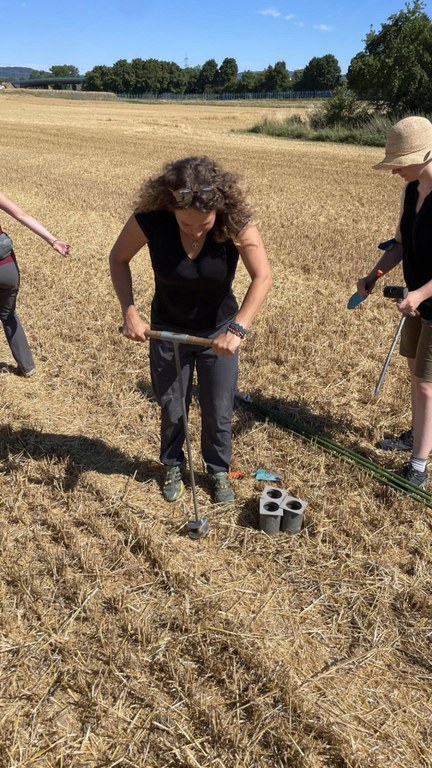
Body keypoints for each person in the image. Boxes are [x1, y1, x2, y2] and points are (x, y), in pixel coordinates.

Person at [110, 155, 272, 503]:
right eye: (187, 225)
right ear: (171, 208)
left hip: (219, 331)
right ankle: (171, 464)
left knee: (218, 407)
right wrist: (130, 312)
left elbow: (263, 276)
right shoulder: (151, 220)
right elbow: (118, 258)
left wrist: (238, 329)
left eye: (205, 224)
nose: (197, 231)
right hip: (168, 330)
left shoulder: (235, 222)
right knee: (172, 407)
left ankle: (217, 469)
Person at [356, 116, 432, 488]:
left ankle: (419, 465)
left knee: (425, 384)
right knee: (415, 373)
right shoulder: (410, 191)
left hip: (426, 298)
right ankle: (420, 434)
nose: (394, 172)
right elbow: (401, 244)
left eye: (399, 164)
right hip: (419, 301)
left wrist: (419, 293)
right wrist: (374, 277)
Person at [0, 190, 70, 377]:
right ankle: (27, 366)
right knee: (8, 314)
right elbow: (21, 215)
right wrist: (53, 240)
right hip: (7, 269)